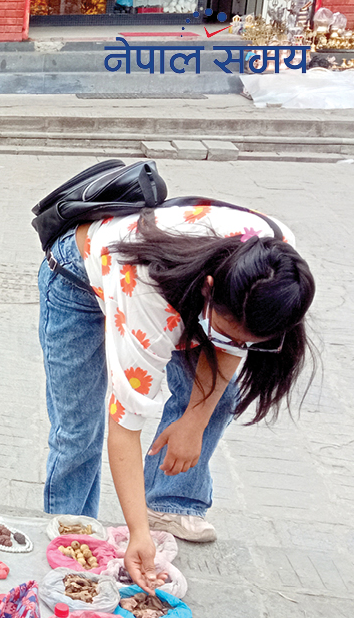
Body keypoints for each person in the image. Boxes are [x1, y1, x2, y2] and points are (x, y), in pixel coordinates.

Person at [38, 202, 314, 593]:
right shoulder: (146, 292)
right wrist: (138, 535)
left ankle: (167, 503)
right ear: (210, 291)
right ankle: (72, 541)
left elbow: (231, 348)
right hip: (79, 276)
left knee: (218, 397)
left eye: (252, 342)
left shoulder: (278, 269)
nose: (237, 346)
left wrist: (195, 420)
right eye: (230, 332)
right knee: (78, 430)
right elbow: (125, 426)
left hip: (183, 288)